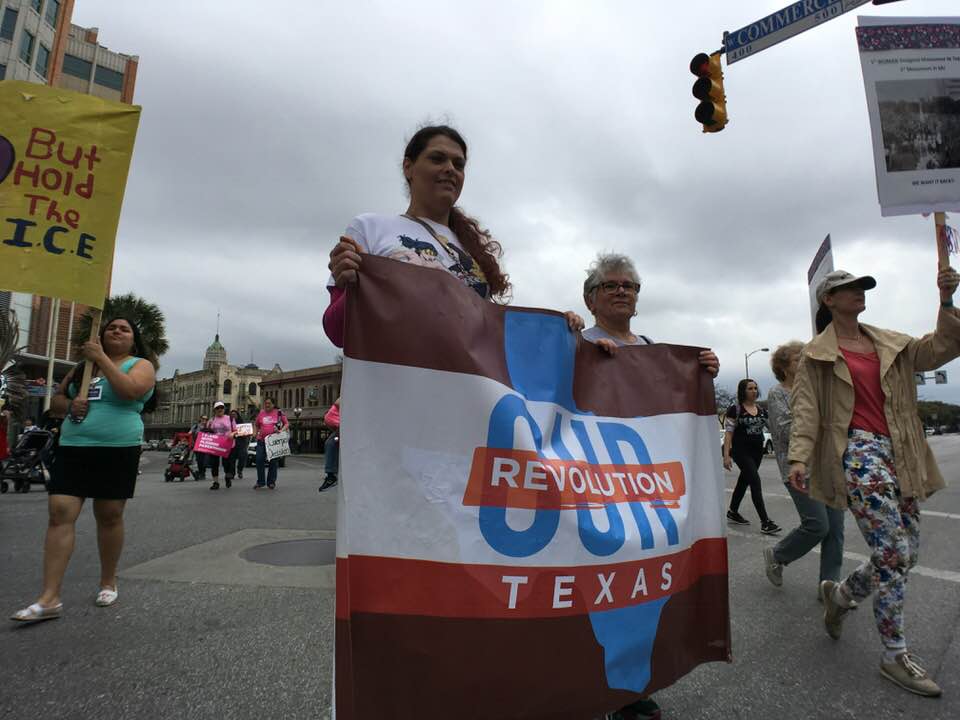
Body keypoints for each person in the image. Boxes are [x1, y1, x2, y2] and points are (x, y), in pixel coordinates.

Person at [788, 267, 960, 697]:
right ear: (829, 299)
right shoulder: (816, 354)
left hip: (899, 449)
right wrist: (798, 457)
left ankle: (841, 596)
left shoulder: (889, 342)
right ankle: (893, 654)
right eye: (849, 288)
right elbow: (807, 409)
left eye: (863, 287)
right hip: (858, 453)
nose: (859, 293)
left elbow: (940, 348)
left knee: (906, 554)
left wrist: (945, 301)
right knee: (893, 551)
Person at [580, 252, 717, 720]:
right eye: (611, 285)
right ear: (591, 297)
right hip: (595, 482)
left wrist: (703, 370)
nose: (622, 291)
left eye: (630, 286)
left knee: (643, 586)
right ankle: (603, 688)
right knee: (601, 589)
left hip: (648, 486)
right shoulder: (578, 343)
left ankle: (629, 689)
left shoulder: (656, 350)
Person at [323, 124, 583, 345]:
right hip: (399, 391)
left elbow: (492, 337)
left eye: (458, 164)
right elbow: (337, 333)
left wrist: (558, 332)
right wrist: (351, 288)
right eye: (437, 159)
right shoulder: (369, 228)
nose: (450, 168)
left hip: (465, 396)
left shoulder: (471, 249)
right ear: (408, 168)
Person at [11, 316, 156, 622]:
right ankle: (49, 597)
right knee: (60, 512)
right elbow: (57, 401)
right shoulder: (82, 369)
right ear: (101, 334)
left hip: (117, 448)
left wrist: (102, 358)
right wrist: (70, 404)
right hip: (74, 445)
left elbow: (130, 391)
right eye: (111, 327)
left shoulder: (139, 364)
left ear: (133, 339)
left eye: (124, 329)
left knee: (109, 515)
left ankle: (108, 580)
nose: (116, 331)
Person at [762, 341, 844, 595]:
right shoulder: (778, 393)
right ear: (784, 368)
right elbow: (786, 429)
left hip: (830, 467)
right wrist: (817, 421)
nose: (806, 363)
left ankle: (828, 588)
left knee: (835, 532)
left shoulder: (818, 390)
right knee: (817, 525)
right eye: (799, 359)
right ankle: (778, 555)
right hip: (799, 469)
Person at [723, 379, 781, 535]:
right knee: (755, 481)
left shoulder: (761, 410)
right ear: (743, 391)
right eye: (750, 388)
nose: (754, 391)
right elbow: (728, 433)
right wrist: (726, 455)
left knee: (744, 481)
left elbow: (773, 429)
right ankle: (765, 522)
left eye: (755, 388)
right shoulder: (734, 409)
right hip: (741, 452)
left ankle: (733, 511)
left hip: (757, 452)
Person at [254, 397, 287, 490]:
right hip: (261, 440)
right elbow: (256, 424)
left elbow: (286, 424)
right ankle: (260, 482)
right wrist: (255, 433)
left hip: (273, 442)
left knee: (273, 462)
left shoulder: (279, 413)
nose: (267, 405)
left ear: (273, 404)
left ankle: (271, 482)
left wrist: (281, 430)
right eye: (266, 403)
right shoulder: (261, 413)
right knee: (259, 459)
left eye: (269, 403)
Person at [204, 401, 237, 490]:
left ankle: (227, 476)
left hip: (228, 443)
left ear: (224, 409)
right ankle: (216, 482)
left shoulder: (230, 418)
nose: (220, 409)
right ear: (214, 410)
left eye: (221, 408)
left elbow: (236, 430)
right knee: (214, 463)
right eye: (217, 408)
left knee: (226, 463)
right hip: (215, 444)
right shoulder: (211, 420)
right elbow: (207, 432)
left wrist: (232, 434)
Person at [319, 396, 340, 492]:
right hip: (339, 428)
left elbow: (339, 402)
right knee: (331, 443)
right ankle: (332, 475)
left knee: (330, 443)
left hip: (343, 426)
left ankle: (331, 476)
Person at [228, 409, 250, 482]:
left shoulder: (242, 424)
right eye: (232, 415)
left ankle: (240, 470)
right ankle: (232, 473)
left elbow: (247, 434)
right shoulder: (228, 424)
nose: (233, 416)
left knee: (242, 457)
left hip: (241, 443)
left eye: (235, 414)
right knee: (232, 459)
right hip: (232, 444)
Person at [190, 413, 209, 480]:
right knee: (199, 460)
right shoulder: (195, 426)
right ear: (200, 419)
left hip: (205, 446)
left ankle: (203, 473)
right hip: (197, 446)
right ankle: (201, 472)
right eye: (203, 419)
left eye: (206, 419)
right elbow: (190, 433)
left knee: (204, 460)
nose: (204, 420)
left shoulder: (208, 427)